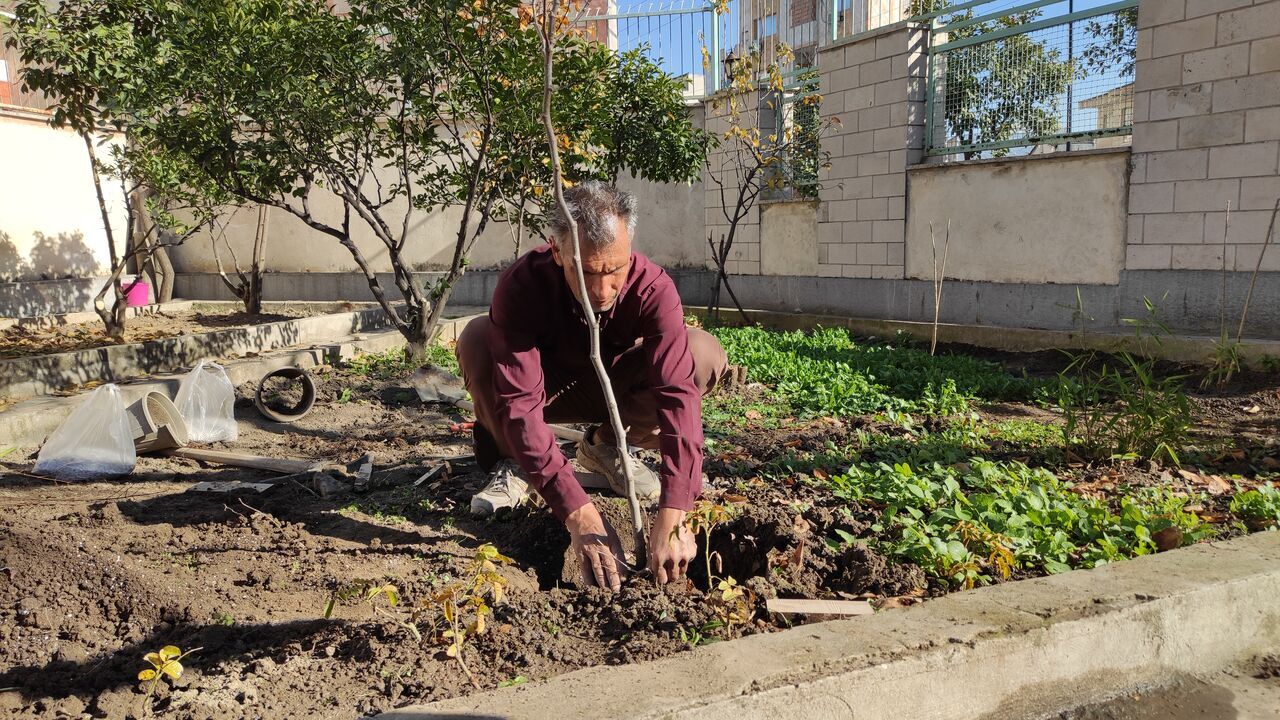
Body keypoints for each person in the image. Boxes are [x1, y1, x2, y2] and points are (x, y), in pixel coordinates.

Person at [454, 182, 728, 591]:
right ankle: (516, 462)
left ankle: (604, 444)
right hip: (546, 389)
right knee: (477, 340)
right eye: (585, 271)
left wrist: (675, 509)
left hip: (618, 390)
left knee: (700, 351)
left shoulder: (654, 289)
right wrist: (579, 513)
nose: (601, 291)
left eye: (614, 270)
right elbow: (520, 405)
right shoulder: (523, 286)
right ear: (557, 249)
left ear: (630, 245)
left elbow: (677, 398)